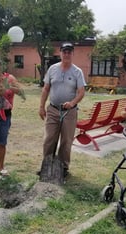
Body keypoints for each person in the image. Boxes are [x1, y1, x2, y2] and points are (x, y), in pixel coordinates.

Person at [38, 42, 86, 177]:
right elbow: (46, 88)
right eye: (64, 51)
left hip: (69, 112)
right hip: (53, 109)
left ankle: (63, 167)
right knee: (49, 139)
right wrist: (41, 106)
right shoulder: (52, 69)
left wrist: (72, 103)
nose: (66, 54)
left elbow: (81, 92)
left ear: (72, 54)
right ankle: (47, 165)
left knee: (66, 140)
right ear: (60, 53)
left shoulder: (77, 72)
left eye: (69, 52)